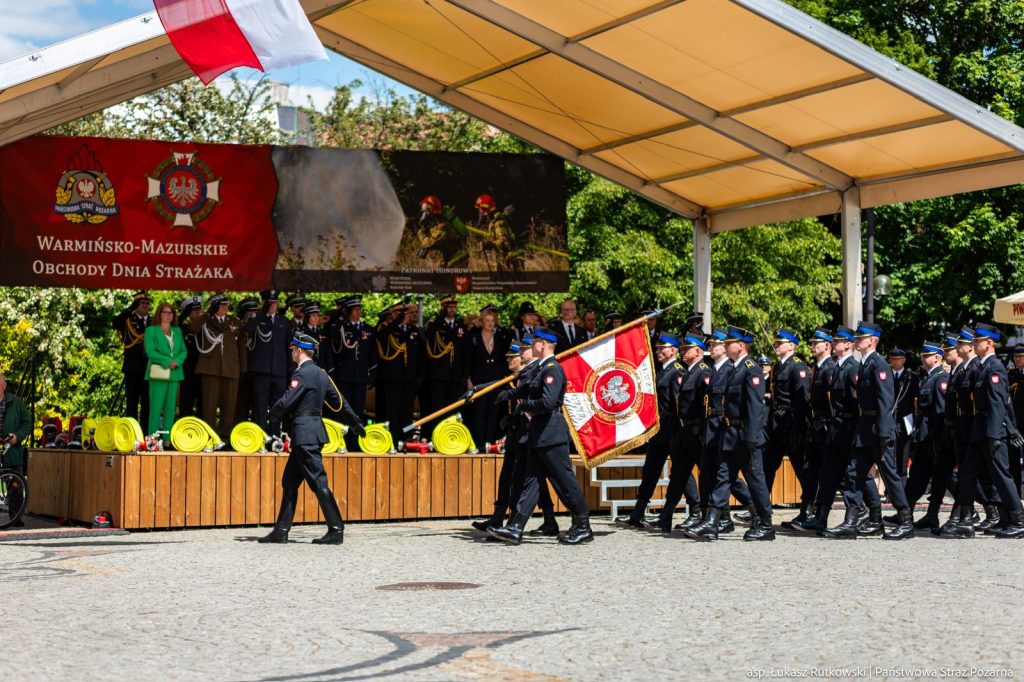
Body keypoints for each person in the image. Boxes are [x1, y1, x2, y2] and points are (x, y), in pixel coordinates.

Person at [259, 333, 366, 545]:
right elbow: (340, 401)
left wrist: (272, 412)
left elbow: (288, 401)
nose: (291, 353)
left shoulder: (302, 374)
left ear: (298, 351)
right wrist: (355, 423)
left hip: (304, 433)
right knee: (289, 481)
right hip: (311, 432)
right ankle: (281, 530)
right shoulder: (321, 374)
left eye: (292, 350)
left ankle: (336, 530)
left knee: (318, 481)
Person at [489, 328, 592, 545]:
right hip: (539, 434)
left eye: (534, 342)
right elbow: (523, 388)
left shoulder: (552, 369)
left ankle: (583, 525)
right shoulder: (541, 369)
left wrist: (523, 406)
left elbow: (547, 402)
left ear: (543, 344)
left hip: (551, 434)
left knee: (565, 480)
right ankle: (516, 527)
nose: (531, 346)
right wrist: (500, 393)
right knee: (531, 481)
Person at [686, 326, 774, 541]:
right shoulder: (735, 368)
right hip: (731, 433)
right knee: (723, 477)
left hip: (746, 436)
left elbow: (755, 406)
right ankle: (712, 521)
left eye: (729, 343)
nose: (725, 346)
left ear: (741, 346)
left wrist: (752, 437)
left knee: (756, 481)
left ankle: (765, 524)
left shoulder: (751, 369)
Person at [947, 323, 1024, 539]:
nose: (973, 344)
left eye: (977, 340)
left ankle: (1018, 519)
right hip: (979, 428)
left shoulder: (995, 367)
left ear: (989, 343)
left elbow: (999, 403)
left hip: (990, 430)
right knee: (967, 473)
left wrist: (996, 433)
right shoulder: (982, 367)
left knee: (1001, 475)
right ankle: (965, 520)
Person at [842, 321, 914, 540]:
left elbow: (885, 401)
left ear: (872, 341)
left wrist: (884, 433)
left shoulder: (879, 364)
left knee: (890, 475)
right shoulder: (865, 364)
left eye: (860, 338)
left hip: (878, 429)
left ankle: (905, 520)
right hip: (865, 428)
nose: (856, 341)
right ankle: (857, 520)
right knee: (853, 473)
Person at [614, 332, 686, 530]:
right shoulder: (662, 371)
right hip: (658, 428)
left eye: (662, 348)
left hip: (672, 427)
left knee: (681, 471)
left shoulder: (677, 371)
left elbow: (679, 404)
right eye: (657, 348)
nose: (658, 351)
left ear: (673, 350)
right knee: (650, 470)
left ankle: (694, 511)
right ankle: (638, 512)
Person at [799, 325, 861, 534]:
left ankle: (872, 514)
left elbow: (855, 402)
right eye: (833, 341)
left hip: (846, 427)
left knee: (855, 475)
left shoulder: (851, 367)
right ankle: (821, 517)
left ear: (848, 345)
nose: (834, 344)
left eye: (837, 341)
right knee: (828, 475)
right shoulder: (836, 367)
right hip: (834, 428)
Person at [783, 327, 835, 531]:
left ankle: (867, 512)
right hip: (814, 429)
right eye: (812, 343)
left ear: (827, 345)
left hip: (826, 429)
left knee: (836, 474)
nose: (812, 346)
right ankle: (809, 512)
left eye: (816, 343)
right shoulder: (816, 368)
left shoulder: (830, 368)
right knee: (810, 471)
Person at [901, 341, 949, 528]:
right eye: (922, 355)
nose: (923, 358)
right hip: (924, 438)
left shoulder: (940, 378)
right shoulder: (927, 378)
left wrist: (936, 439)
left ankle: (987, 509)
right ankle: (906, 513)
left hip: (933, 438)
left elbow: (940, 412)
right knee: (917, 477)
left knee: (948, 479)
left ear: (937, 357)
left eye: (926, 355)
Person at [764, 328, 810, 518]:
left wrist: (797, 427)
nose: (776, 345)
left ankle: (808, 508)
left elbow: (801, 400)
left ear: (791, 346)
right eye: (775, 343)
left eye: (779, 343)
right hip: (776, 424)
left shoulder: (798, 366)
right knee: (767, 466)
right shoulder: (776, 366)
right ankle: (761, 509)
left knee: (801, 467)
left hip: (791, 424)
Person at [191, 293, 242, 442]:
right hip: (210, 369)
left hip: (231, 369)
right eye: (222, 305)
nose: (226, 307)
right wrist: (207, 314)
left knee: (229, 406)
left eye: (227, 305)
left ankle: (225, 439)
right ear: (215, 307)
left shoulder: (234, 322)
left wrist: (242, 369)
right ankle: (210, 438)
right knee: (209, 406)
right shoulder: (206, 321)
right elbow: (193, 328)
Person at [330, 296, 375, 449]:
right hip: (344, 375)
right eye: (355, 309)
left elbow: (372, 353)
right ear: (348, 311)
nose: (358, 312)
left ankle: (355, 442)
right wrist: (339, 317)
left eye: (359, 309)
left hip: (360, 376)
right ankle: (341, 441)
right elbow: (331, 339)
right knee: (343, 409)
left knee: (358, 410)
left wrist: (372, 372)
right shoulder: (341, 327)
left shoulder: (367, 329)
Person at [246, 290, 291, 437]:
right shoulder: (258, 319)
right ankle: (260, 437)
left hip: (279, 371)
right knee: (260, 405)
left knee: (277, 406)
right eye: (269, 303)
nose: (272, 306)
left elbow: (288, 347)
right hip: (262, 371)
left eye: (274, 303)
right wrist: (262, 313)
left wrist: (291, 370)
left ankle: (275, 436)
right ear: (264, 303)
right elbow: (248, 329)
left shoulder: (283, 321)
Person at [376, 300, 422, 443]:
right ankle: (393, 439)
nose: (406, 317)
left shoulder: (413, 330)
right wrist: (395, 323)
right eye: (404, 314)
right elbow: (380, 337)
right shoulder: (389, 329)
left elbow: (420, 354)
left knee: (407, 410)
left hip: (409, 377)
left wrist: (419, 375)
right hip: (393, 377)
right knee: (393, 410)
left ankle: (406, 437)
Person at [466, 306, 512, 446]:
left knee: (493, 412)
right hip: (479, 379)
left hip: (496, 380)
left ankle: (489, 443)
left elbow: (505, 357)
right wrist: (468, 379)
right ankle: (479, 444)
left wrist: (506, 376)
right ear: (481, 322)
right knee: (479, 413)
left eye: (492, 320)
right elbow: (468, 359)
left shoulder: (501, 337)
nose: (490, 323)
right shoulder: (473, 337)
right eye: (487, 320)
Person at [143, 302, 187, 445]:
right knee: (155, 408)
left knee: (170, 409)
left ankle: (167, 439)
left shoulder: (177, 331)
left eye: (170, 313)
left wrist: (177, 361)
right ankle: (153, 440)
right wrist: (168, 361)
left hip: (175, 374)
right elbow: (150, 351)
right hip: (158, 374)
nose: (168, 315)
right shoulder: (151, 330)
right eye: (165, 312)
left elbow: (183, 351)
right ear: (159, 314)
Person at [424, 296, 468, 432]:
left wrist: (465, 374)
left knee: (453, 407)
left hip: (455, 374)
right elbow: (429, 341)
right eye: (449, 307)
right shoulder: (435, 325)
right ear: (443, 308)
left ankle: (451, 434)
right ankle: (436, 434)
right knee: (438, 408)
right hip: (439, 374)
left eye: (454, 307)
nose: (452, 310)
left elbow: (465, 352)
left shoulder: (461, 326)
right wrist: (438, 320)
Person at [114, 290, 151, 422]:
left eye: (147, 303)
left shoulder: (153, 322)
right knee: (132, 404)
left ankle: (147, 435)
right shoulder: (127, 320)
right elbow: (115, 323)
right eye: (141, 303)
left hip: (149, 369)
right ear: (135, 305)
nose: (145, 305)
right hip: (132, 368)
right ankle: (132, 435)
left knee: (147, 404)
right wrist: (130, 309)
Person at [0, 372, 30, 525]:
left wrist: (17, 437)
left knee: (16, 487)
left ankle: (15, 518)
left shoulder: (16, 402)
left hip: (11, 448)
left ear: (4, 386)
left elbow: (27, 423)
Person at [889, 348, 918, 480]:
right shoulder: (886, 375)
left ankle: (902, 484)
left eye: (898, 359)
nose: (895, 362)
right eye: (893, 359)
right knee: (889, 455)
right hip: (889, 420)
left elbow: (915, 401)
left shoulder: (912, 377)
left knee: (903, 455)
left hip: (905, 420)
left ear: (904, 360)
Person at [233, 296, 260, 425]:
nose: (253, 315)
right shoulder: (237, 327)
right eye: (250, 312)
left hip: (257, 370)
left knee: (256, 405)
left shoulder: (259, 328)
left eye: (255, 312)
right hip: (241, 371)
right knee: (240, 405)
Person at [178, 296, 204, 419]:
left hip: (203, 371)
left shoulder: (206, 328)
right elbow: (173, 326)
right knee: (185, 406)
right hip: (187, 372)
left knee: (203, 407)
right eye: (194, 310)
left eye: (199, 309)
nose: (198, 312)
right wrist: (183, 315)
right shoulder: (183, 328)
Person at [1009, 345, 1024, 494]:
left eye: (1020, 356)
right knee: (1013, 461)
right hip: (1015, 423)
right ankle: (1016, 493)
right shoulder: (1010, 375)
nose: (1017, 359)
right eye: (1015, 357)